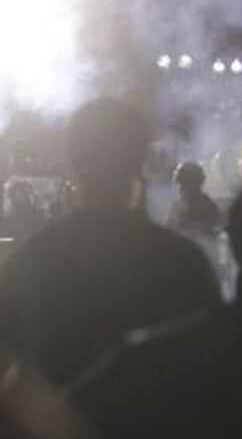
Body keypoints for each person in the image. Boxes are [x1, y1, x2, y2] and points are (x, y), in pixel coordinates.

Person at [0, 98, 222, 389]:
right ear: (141, 160)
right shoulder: (182, 261)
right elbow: (211, 372)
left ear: (74, 162)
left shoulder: (27, 264)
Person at [167, 162, 221, 237]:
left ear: (196, 183)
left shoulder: (207, 206)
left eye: (185, 183)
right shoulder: (178, 205)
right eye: (180, 183)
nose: (181, 188)